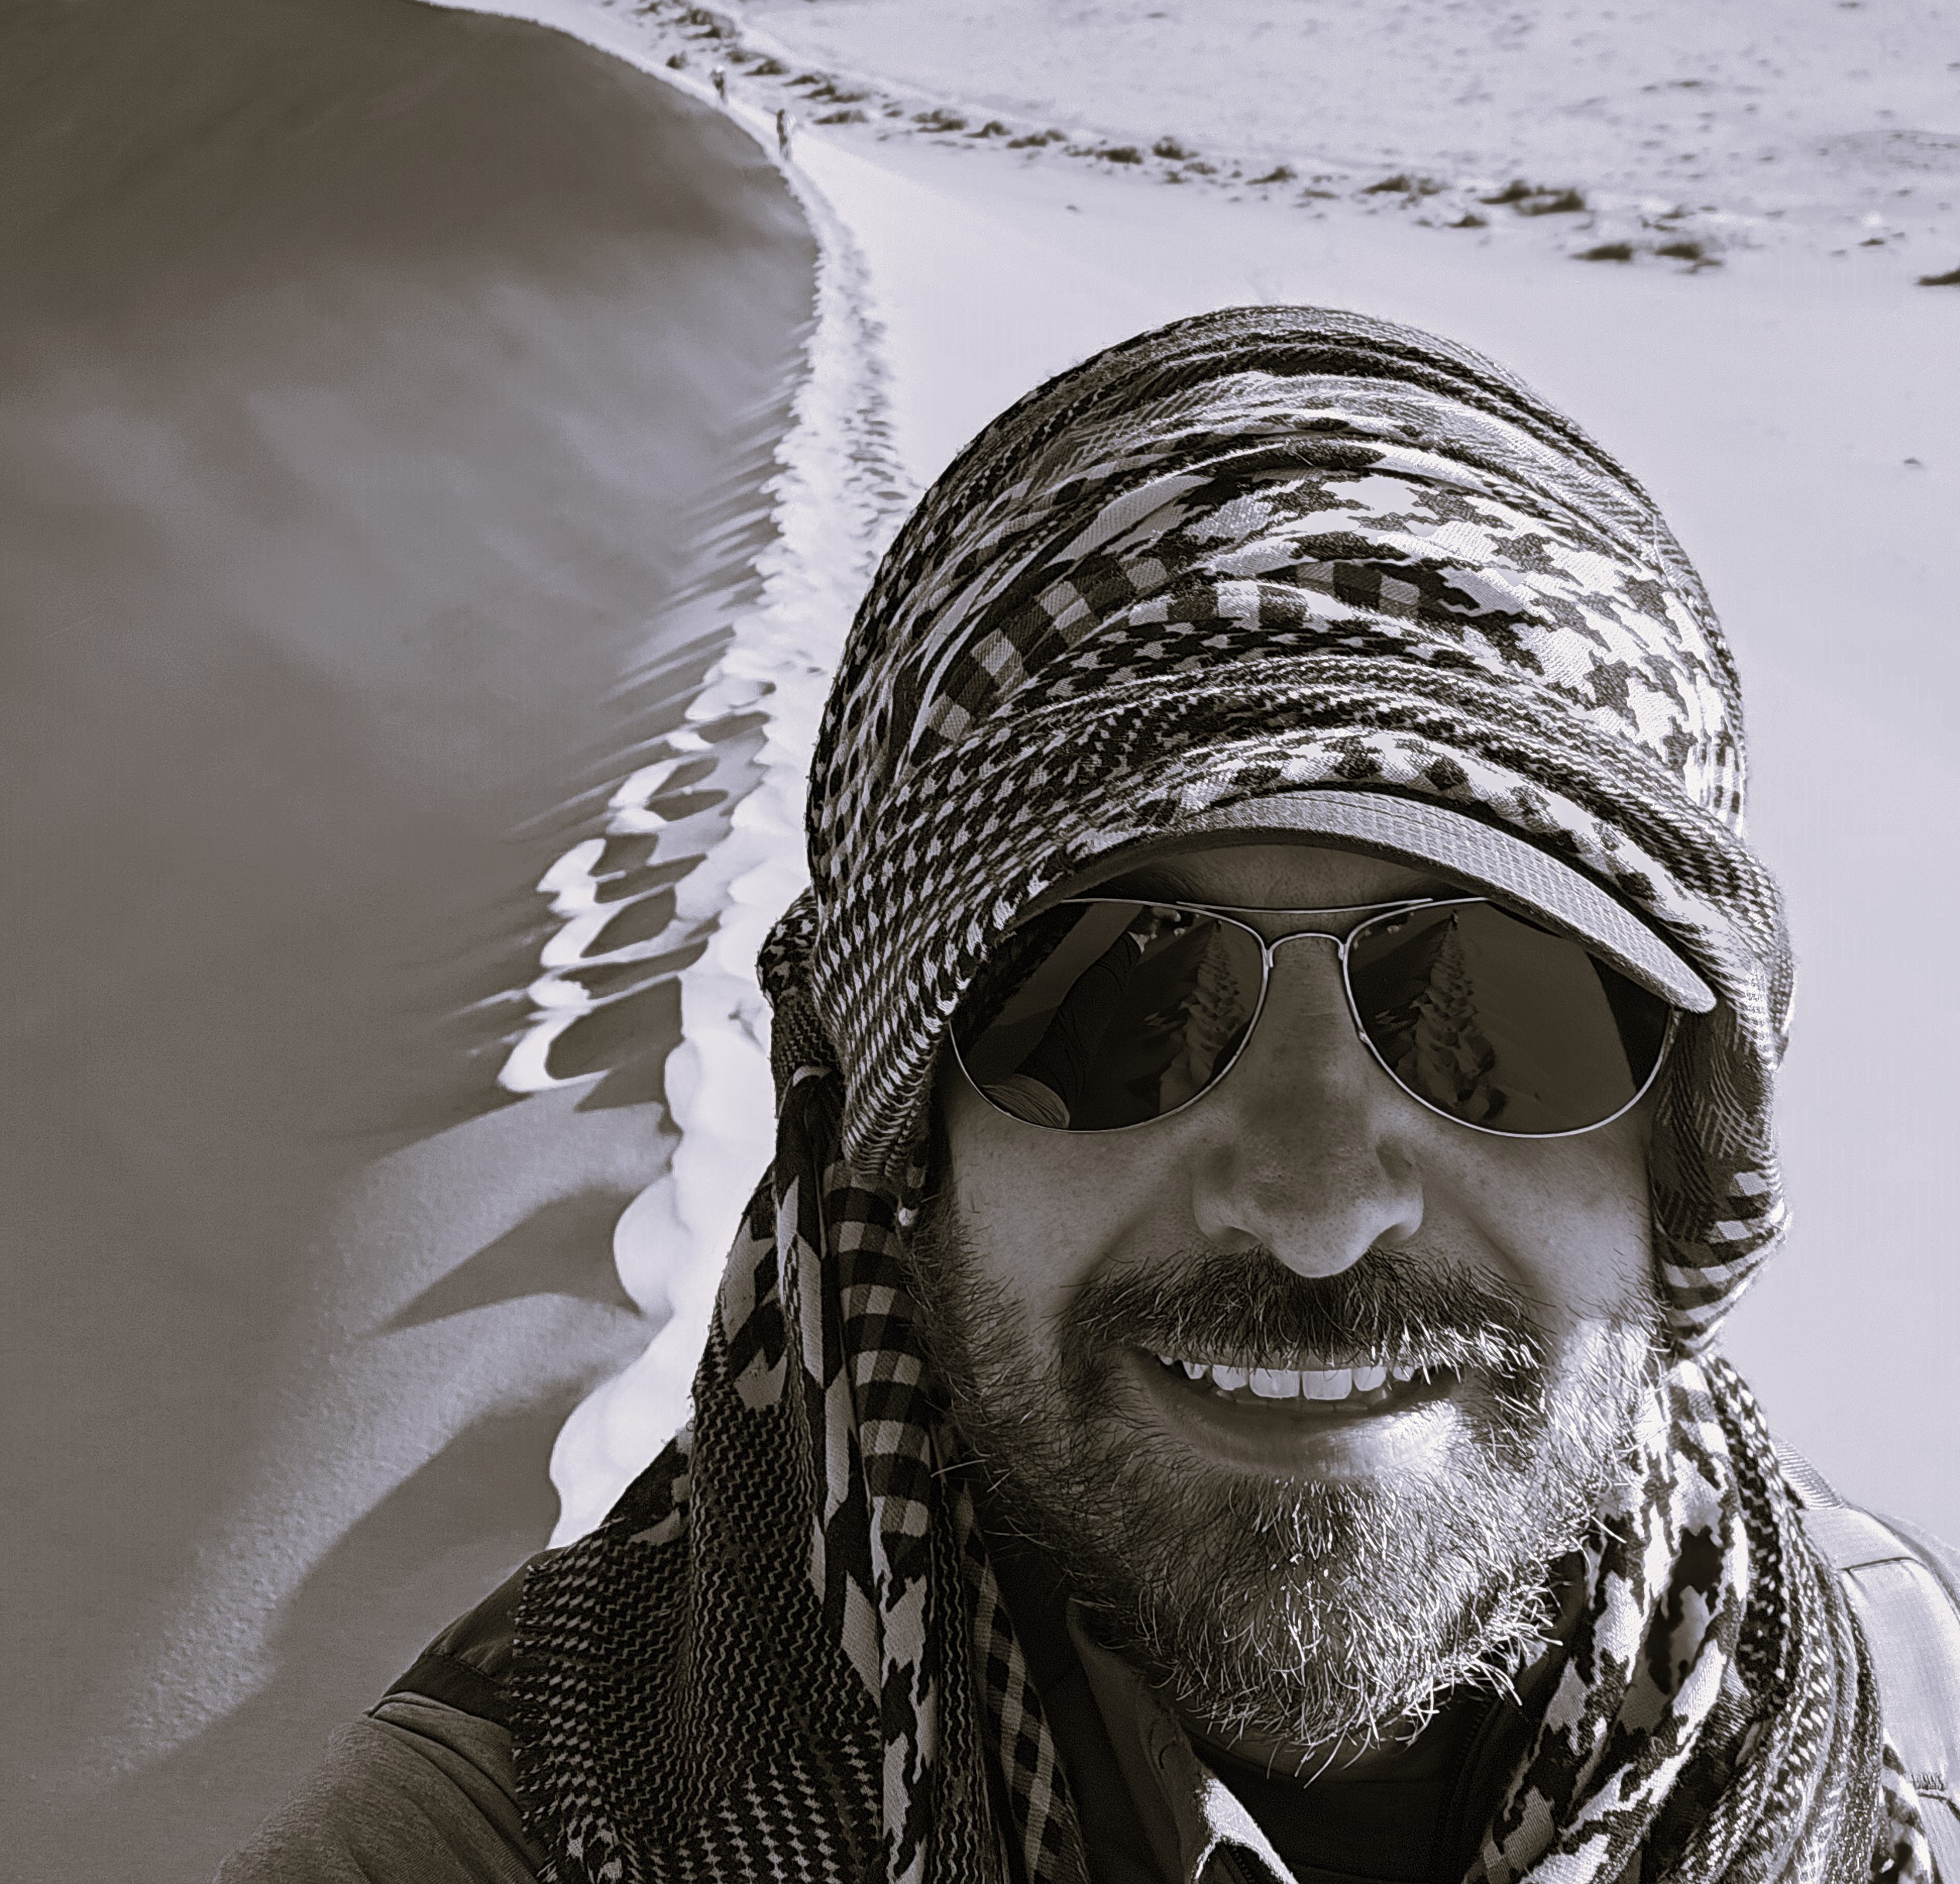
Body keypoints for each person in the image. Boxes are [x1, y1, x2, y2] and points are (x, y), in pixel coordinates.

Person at [220, 307, 1960, 1883]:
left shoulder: (1912, 1721)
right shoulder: (503, 1835)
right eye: (1122, 1006)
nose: (1317, 1203)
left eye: (1493, 1012)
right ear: (901, 1138)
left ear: (1685, 1136)